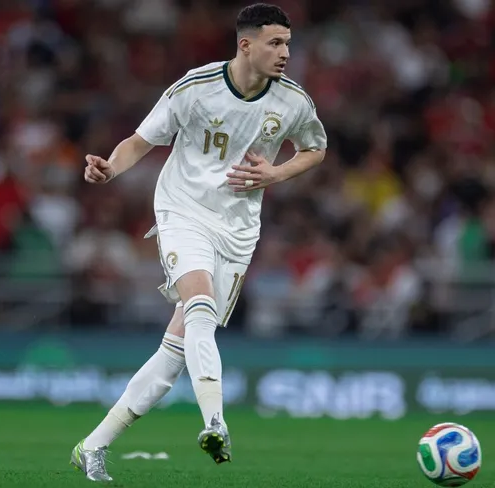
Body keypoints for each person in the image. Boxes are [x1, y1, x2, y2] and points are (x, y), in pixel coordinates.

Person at [69, 3, 327, 482]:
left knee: (174, 353)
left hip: (238, 230)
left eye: (288, 44)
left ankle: (92, 446)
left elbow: (315, 148)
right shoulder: (196, 87)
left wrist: (275, 173)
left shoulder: (293, 101)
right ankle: (215, 422)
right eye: (275, 43)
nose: (285, 53)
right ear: (245, 45)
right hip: (183, 210)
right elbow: (140, 141)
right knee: (200, 305)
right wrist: (109, 168)